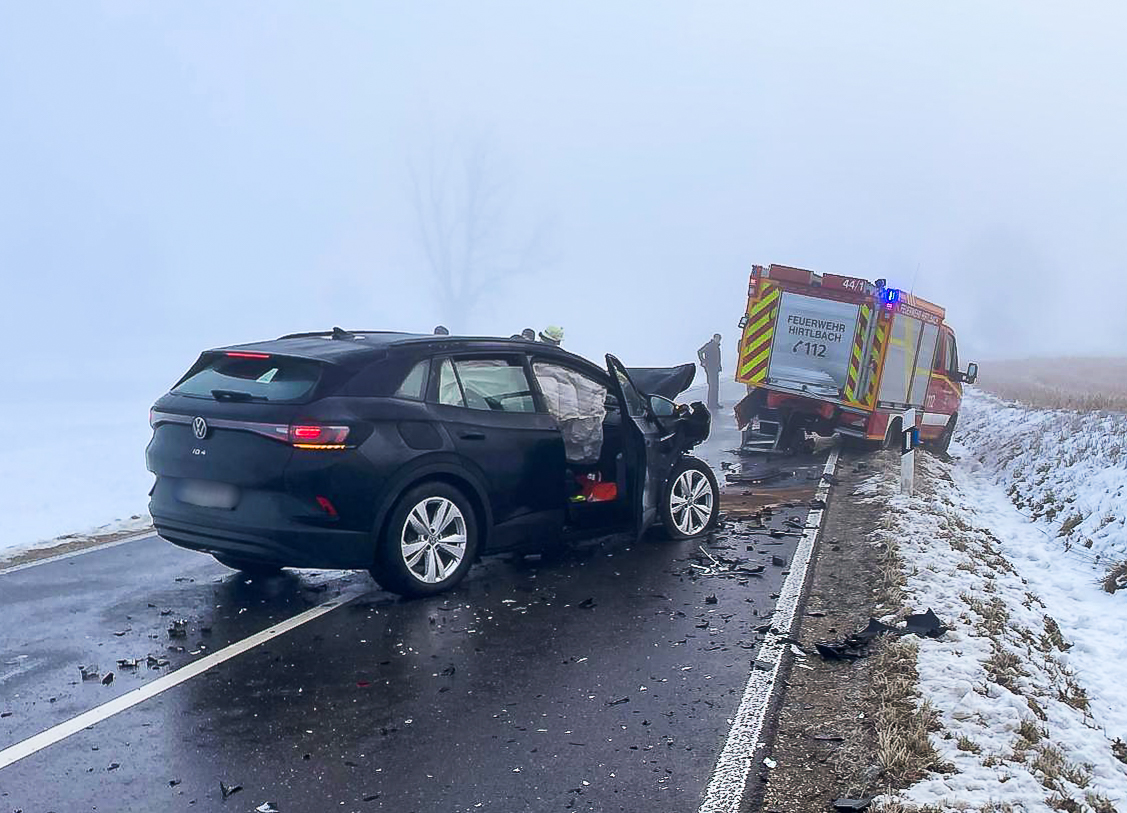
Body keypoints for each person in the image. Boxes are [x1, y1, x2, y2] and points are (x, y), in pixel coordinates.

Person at [697, 333, 722, 411]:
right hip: (710, 368)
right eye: (717, 338)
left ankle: (714, 403)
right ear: (714, 338)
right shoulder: (710, 345)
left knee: (715, 386)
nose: (718, 340)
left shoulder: (715, 346)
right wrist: (703, 361)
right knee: (713, 385)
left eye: (719, 339)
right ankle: (711, 404)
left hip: (714, 368)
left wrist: (719, 366)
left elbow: (717, 358)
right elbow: (700, 351)